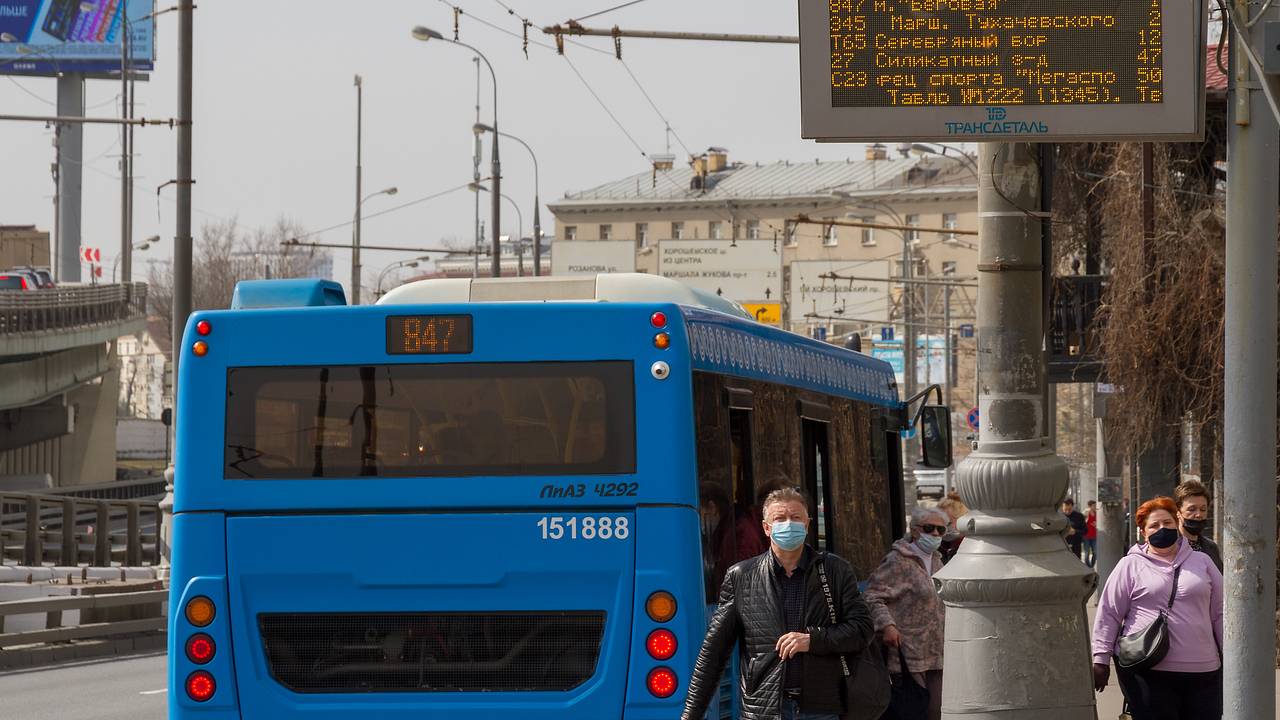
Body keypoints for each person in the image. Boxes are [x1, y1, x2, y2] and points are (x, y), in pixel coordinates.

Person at [682, 487, 874, 720]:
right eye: (779, 519)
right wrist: (691, 715)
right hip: (763, 709)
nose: (788, 524)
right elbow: (713, 652)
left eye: (795, 518)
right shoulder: (741, 576)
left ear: (807, 524)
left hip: (819, 708)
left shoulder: (835, 570)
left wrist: (813, 639)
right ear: (766, 527)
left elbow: (862, 629)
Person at [1091, 496, 1223, 720]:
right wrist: (1100, 660)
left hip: (1204, 672)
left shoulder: (1203, 562)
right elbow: (1109, 613)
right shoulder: (1130, 565)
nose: (1162, 528)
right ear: (1143, 532)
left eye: (1168, 523)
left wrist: (1232, 657)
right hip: (1147, 670)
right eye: (1154, 525)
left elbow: (1221, 613)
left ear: (1177, 524)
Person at [863, 506, 948, 720]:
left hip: (937, 653)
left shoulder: (938, 561)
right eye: (930, 528)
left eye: (941, 530)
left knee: (937, 711)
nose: (936, 534)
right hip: (908, 654)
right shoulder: (897, 561)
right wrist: (887, 626)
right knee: (912, 711)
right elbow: (872, 596)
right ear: (915, 529)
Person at [1174, 479, 1222, 573]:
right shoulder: (1169, 545)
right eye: (1191, 509)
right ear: (1178, 512)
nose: (1198, 514)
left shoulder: (1211, 547)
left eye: (1203, 509)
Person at [936, 492, 968, 565]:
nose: (944, 528)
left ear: (963, 521)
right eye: (939, 524)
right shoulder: (936, 547)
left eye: (949, 523)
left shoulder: (969, 548)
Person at [1084, 500, 1098, 568]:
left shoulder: (1097, 513)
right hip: (1086, 536)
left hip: (1094, 536)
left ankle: (1091, 566)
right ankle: (1088, 567)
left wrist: (1096, 525)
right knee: (1086, 554)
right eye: (1094, 505)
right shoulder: (1086, 513)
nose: (1095, 507)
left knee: (1095, 553)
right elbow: (1082, 522)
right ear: (1090, 506)